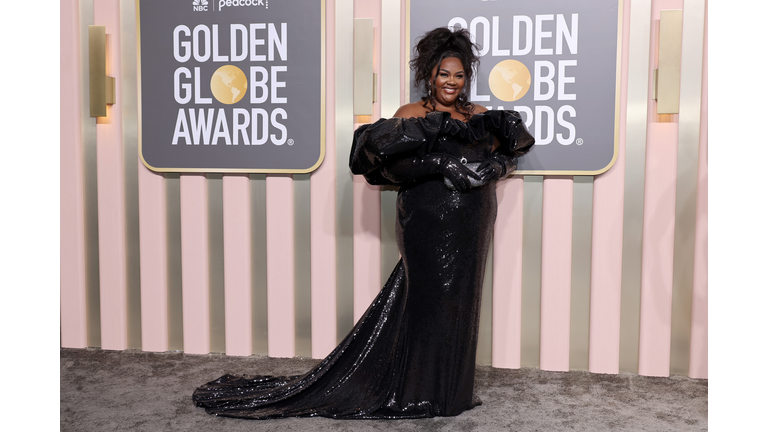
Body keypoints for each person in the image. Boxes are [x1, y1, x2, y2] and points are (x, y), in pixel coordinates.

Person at [192, 26, 534, 420]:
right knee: (426, 302)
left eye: (458, 75)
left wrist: (496, 166)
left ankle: (451, 393)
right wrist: (441, 163)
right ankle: (419, 389)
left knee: (462, 301)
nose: (451, 82)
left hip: (473, 219)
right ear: (430, 75)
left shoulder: (482, 117)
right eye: (444, 74)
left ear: (466, 78)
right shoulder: (411, 116)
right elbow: (388, 164)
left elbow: (512, 152)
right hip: (425, 219)